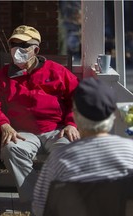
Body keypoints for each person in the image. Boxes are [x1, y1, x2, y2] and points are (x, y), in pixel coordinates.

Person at [0, 25, 80, 208]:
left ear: (36, 49)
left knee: (68, 152)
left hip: (56, 131)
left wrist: (71, 123)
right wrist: (3, 124)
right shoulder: (1, 77)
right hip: (21, 133)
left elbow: (78, 98)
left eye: (24, 44)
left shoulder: (57, 72)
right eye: (14, 44)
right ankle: (40, 203)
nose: (17, 49)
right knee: (11, 150)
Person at [32, 77, 133, 216]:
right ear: (113, 115)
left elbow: (39, 208)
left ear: (76, 116)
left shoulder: (60, 158)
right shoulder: (130, 152)